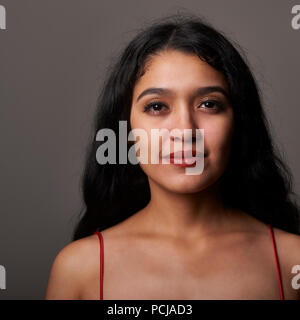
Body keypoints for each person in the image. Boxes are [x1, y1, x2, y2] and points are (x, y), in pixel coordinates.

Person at [45, 14, 300, 300]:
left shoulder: (292, 262)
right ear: (126, 130)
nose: (184, 130)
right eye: (156, 107)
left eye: (208, 104)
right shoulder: (80, 269)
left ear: (239, 122)